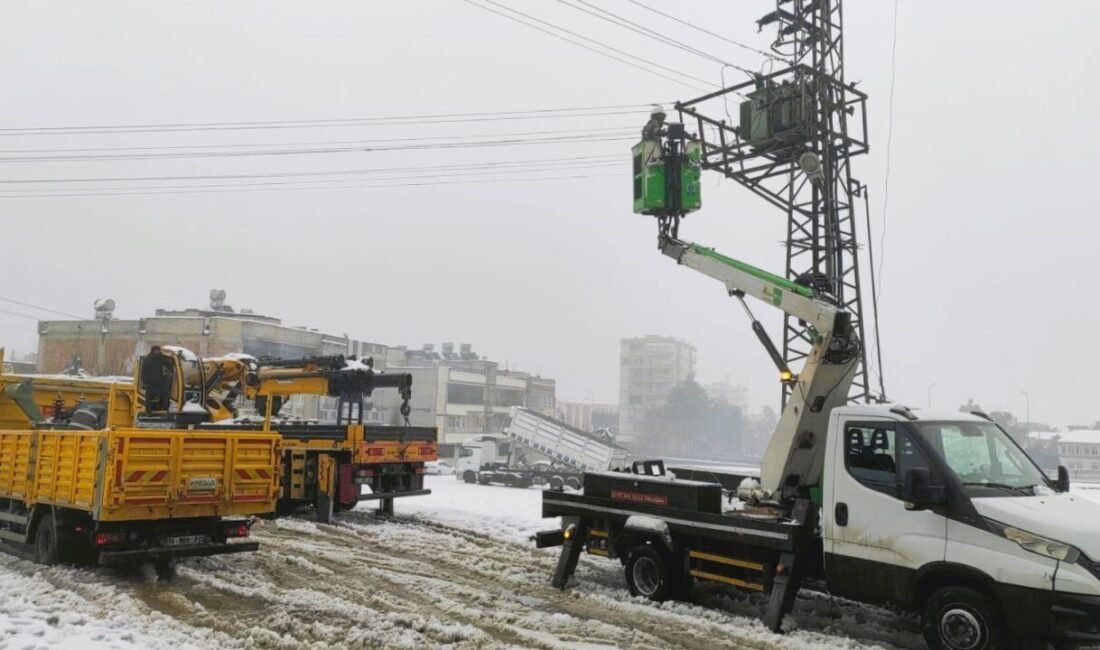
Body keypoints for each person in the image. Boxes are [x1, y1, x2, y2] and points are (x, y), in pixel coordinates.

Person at [141, 345, 173, 412]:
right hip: (155, 382)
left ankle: (162, 409)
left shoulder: (148, 359)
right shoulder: (160, 358)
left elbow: (169, 366)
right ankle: (155, 410)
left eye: (158, 350)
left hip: (156, 382)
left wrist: (144, 382)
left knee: (164, 393)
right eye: (156, 350)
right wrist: (144, 382)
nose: (157, 352)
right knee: (152, 395)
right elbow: (143, 372)